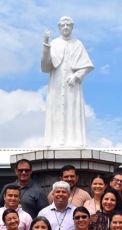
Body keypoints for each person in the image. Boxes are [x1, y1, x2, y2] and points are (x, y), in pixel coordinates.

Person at [41, 16, 94, 148]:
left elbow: (87, 66)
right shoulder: (54, 43)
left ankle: (76, 141)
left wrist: (76, 76)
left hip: (72, 86)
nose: (65, 27)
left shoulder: (78, 44)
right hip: (57, 85)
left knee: (73, 111)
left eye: (68, 25)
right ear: (59, 27)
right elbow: (46, 66)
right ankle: (54, 141)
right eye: (63, 25)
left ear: (72, 27)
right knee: (56, 110)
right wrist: (46, 44)